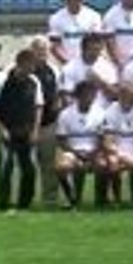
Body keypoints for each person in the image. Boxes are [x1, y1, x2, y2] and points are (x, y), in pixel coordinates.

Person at [0, 49, 45, 214]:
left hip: (27, 131)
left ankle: (25, 204)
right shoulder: (1, 79)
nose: (33, 69)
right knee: (6, 166)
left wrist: (35, 130)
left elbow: (39, 106)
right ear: (21, 63)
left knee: (30, 168)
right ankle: (4, 204)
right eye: (31, 65)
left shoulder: (34, 81)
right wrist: (0, 129)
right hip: (7, 131)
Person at [55, 80, 106, 210]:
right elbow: (61, 140)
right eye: (87, 94)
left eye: (93, 95)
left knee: (102, 165)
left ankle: (100, 199)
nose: (90, 98)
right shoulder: (65, 114)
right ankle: (72, 198)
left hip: (94, 152)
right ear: (78, 96)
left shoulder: (101, 113)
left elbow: (103, 139)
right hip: (73, 151)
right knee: (61, 167)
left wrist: (92, 153)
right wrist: (76, 153)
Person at [101, 81, 133, 205]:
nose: (128, 98)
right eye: (124, 95)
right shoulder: (110, 111)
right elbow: (108, 142)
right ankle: (117, 198)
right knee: (113, 161)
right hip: (117, 148)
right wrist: (122, 155)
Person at [29, 36, 62, 207]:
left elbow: (59, 91)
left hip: (49, 123)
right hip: (28, 125)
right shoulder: (26, 70)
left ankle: (50, 198)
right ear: (32, 51)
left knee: (49, 164)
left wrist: (58, 105)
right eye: (39, 50)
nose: (42, 53)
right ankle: (25, 198)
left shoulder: (54, 70)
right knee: (27, 164)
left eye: (45, 50)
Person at [60, 33, 119, 109]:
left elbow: (115, 96)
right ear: (83, 49)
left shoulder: (108, 67)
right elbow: (66, 96)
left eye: (97, 50)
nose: (94, 53)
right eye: (91, 49)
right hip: (78, 111)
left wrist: (100, 82)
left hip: (103, 111)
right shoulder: (70, 68)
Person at [48, 0, 102, 65]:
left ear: (82, 0)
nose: (72, 4)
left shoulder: (94, 16)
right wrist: (66, 63)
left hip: (89, 62)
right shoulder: (56, 18)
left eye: (76, 0)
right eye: (69, 0)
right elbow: (54, 47)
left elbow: (97, 43)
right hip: (66, 61)